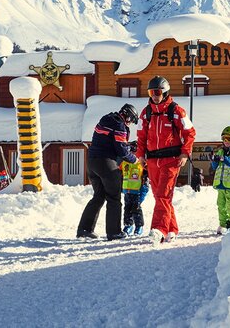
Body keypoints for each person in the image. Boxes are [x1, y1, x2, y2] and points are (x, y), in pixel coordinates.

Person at [136, 76, 196, 246]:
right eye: (151, 92)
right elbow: (141, 136)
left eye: (157, 92)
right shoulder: (146, 113)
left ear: (165, 92)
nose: (154, 96)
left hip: (171, 160)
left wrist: (185, 153)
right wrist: (141, 155)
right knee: (160, 196)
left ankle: (158, 230)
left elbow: (190, 133)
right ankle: (171, 229)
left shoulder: (176, 111)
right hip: (152, 161)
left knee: (163, 194)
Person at [77, 104, 139, 241]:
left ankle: (84, 229)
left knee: (99, 196)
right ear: (127, 116)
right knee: (114, 198)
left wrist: (128, 146)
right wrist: (135, 160)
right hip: (107, 164)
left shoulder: (106, 119)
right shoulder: (120, 125)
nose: (129, 123)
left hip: (92, 162)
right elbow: (121, 151)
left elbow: (109, 142)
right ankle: (114, 232)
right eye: (131, 120)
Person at [121, 155, 149, 236]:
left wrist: (144, 189)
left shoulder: (141, 163)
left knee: (136, 209)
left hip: (137, 191)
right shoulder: (124, 163)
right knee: (127, 209)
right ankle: (128, 225)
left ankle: (139, 226)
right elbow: (120, 172)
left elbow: (146, 176)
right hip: (127, 191)